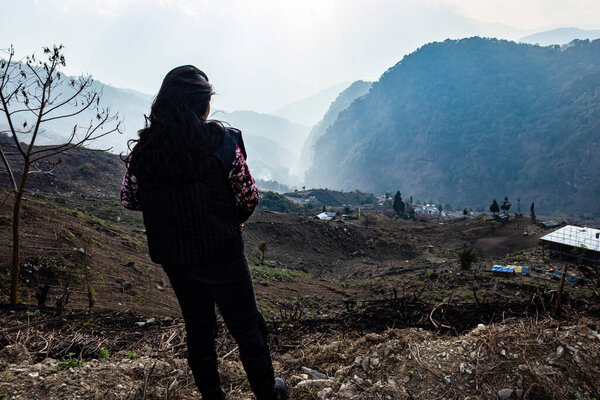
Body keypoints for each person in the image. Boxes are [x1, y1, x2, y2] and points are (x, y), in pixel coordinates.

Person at [120, 65, 287, 400]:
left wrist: (168, 209)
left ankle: (213, 395)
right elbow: (248, 195)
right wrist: (232, 218)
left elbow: (130, 198)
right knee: (246, 326)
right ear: (202, 105)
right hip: (221, 251)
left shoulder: (146, 150)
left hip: (175, 256)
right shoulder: (222, 141)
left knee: (199, 326)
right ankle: (268, 393)